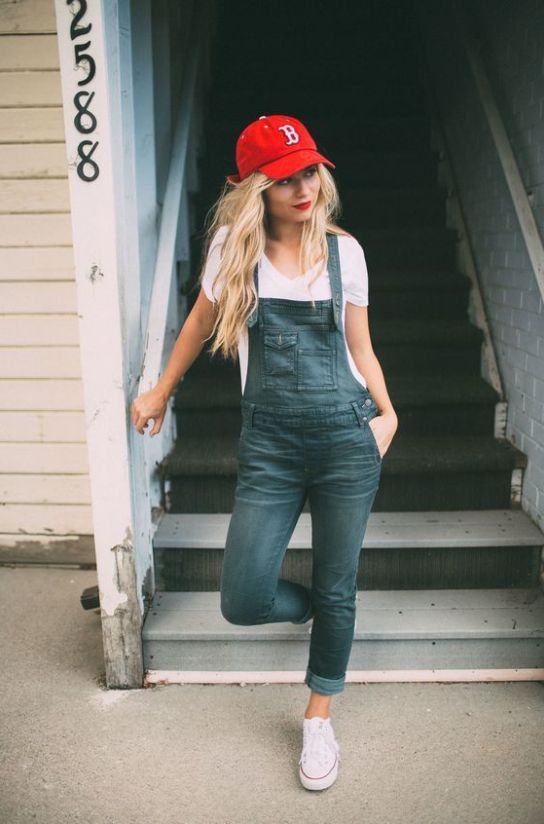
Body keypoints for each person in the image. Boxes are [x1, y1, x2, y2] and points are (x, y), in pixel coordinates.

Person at [131, 114, 398, 791]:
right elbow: (199, 320)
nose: (304, 187)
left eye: (310, 170)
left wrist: (387, 416)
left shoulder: (347, 253)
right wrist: (160, 389)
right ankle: (308, 610)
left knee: (341, 586)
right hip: (271, 447)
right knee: (244, 597)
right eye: (285, 179)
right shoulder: (235, 248)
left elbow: (360, 348)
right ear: (255, 188)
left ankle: (317, 719)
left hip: (346, 437)